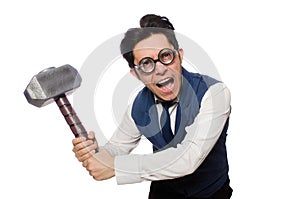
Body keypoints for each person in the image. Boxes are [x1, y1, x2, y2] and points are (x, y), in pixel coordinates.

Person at [72, 14, 233, 199]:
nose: (160, 69)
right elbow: (118, 146)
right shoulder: (138, 105)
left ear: (179, 55)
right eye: (146, 63)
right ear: (136, 74)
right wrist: (99, 154)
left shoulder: (214, 93)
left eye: (165, 56)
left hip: (212, 192)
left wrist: (117, 167)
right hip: (163, 193)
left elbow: (189, 157)